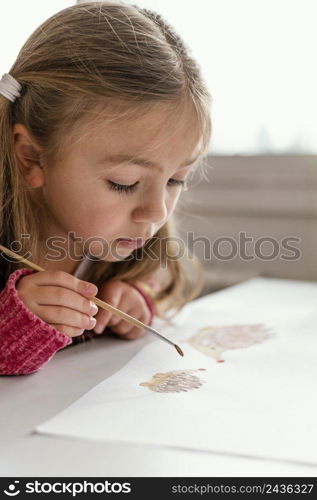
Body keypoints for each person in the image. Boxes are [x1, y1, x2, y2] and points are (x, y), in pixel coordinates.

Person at [0, 1, 212, 375]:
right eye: (124, 183)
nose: (158, 211)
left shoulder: (118, 242)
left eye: (176, 179)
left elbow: (161, 280)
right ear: (32, 157)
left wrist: (139, 298)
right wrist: (9, 335)